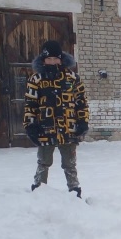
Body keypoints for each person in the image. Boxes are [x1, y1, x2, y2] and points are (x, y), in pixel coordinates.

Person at [24, 40, 90, 198]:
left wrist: (83, 121)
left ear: (61, 59)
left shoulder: (72, 78)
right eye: (48, 59)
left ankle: (75, 192)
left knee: (70, 164)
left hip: (68, 129)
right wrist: (30, 125)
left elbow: (81, 102)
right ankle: (39, 192)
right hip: (45, 129)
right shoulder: (36, 80)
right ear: (43, 59)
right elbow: (30, 105)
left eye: (55, 58)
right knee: (43, 162)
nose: (52, 62)